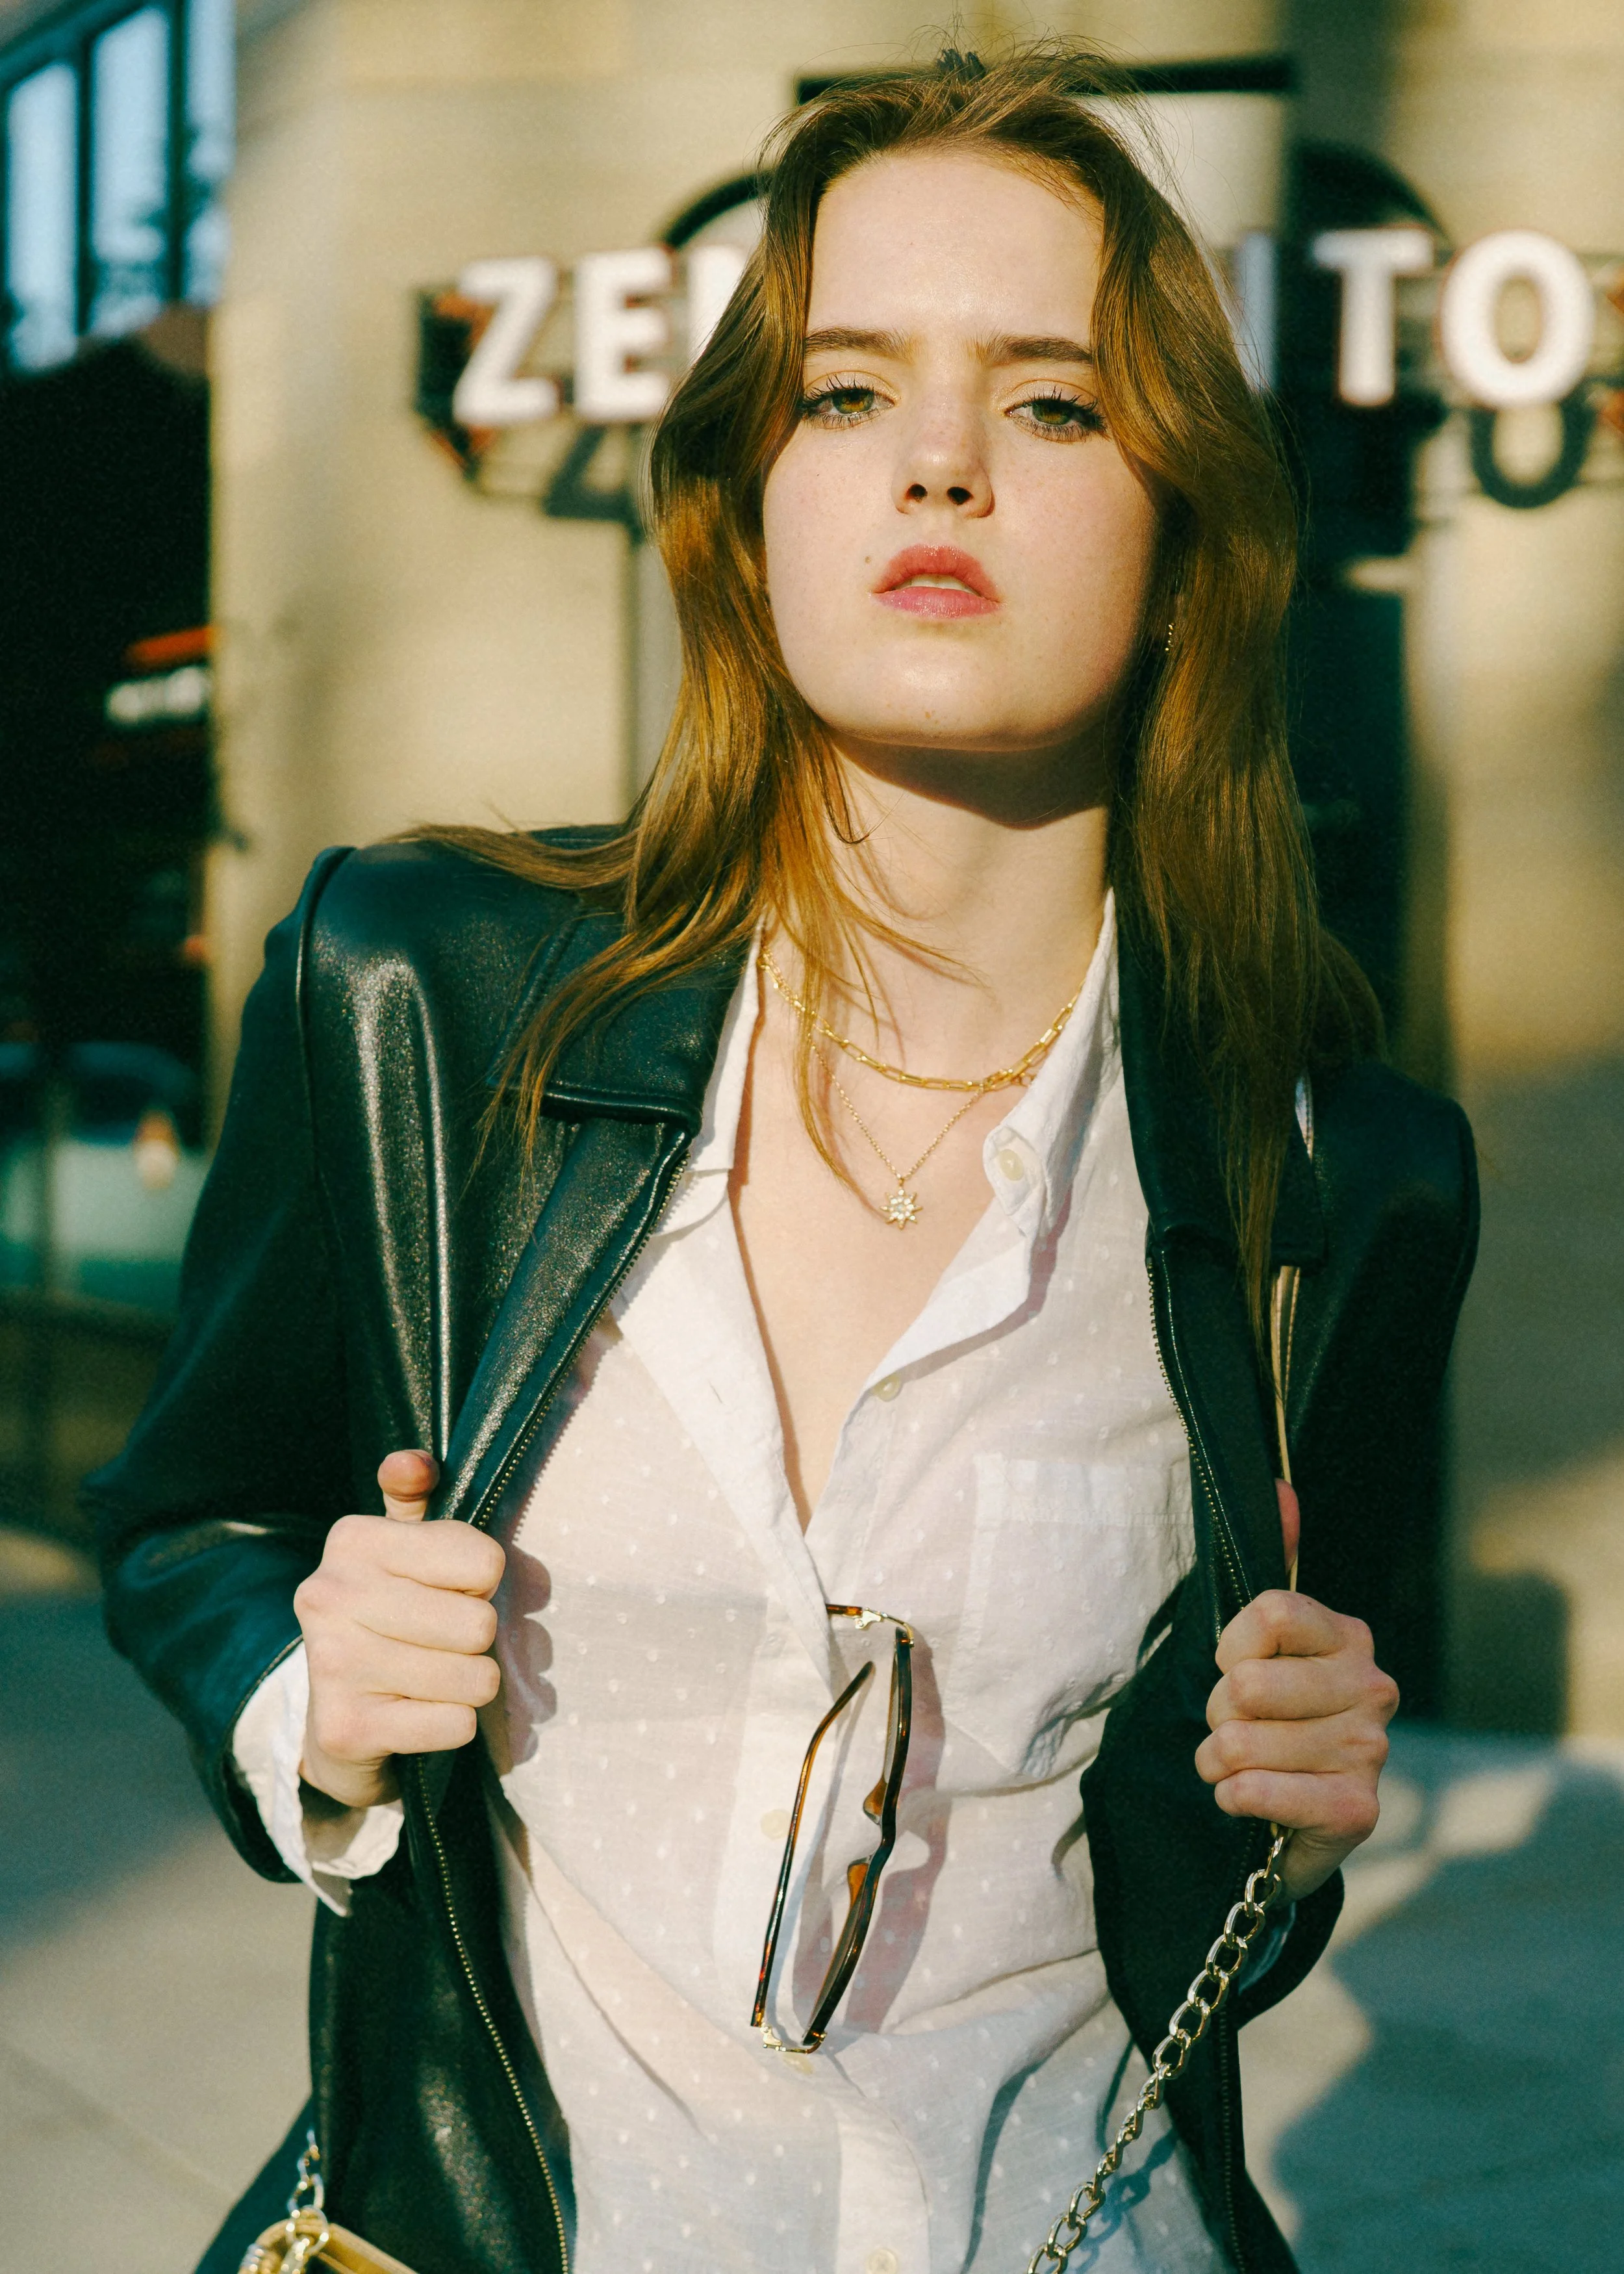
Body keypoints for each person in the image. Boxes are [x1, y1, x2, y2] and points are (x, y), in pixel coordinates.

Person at [89, 46, 1477, 2274]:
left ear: (1183, 522)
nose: (937, 458)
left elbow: (1225, 1888)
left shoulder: (1339, 1178)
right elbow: (192, 1516)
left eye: (1050, 402)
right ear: (748, 497)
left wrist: (1289, 1826)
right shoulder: (416, 994)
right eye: (845, 392)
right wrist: (304, 1693)